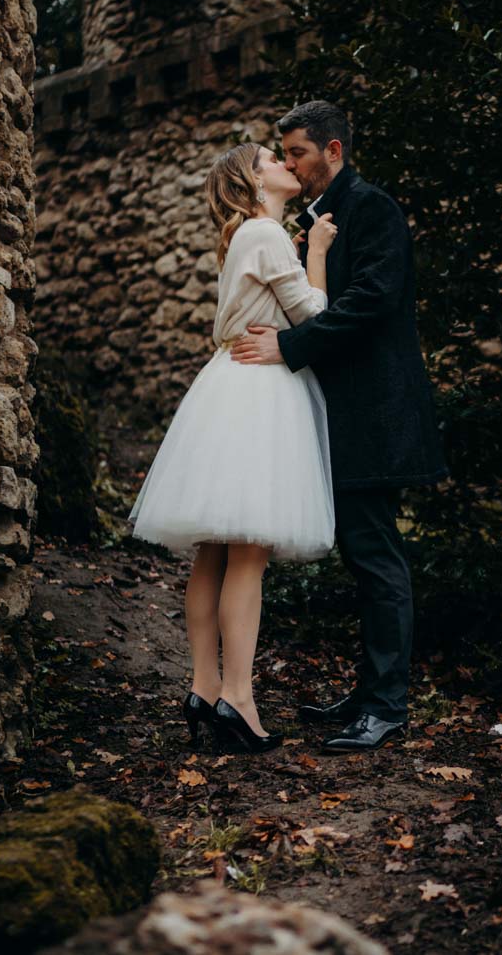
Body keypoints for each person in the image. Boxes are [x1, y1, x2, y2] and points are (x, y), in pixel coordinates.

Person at [232, 100, 448, 753]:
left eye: (298, 152)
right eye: (284, 154)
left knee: (377, 558)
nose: (291, 164)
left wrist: (288, 347)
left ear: (333, 150)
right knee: (362, 556)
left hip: (376, 416)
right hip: (342, 416)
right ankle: (369, 693)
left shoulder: (373, 208)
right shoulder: (317, 220)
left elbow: (371, 302)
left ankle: (386, 706)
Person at [128, 142, 340, 754]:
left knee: (213, 553)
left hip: (224, 385)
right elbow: (313, 317)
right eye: (273, 159)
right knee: (248, 553)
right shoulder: (267, 233)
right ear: (253, 180)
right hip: (260, 392)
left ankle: (204, 686)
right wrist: (317, 254)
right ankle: (239, 699)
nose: (286, 165)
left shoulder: (248, 236)